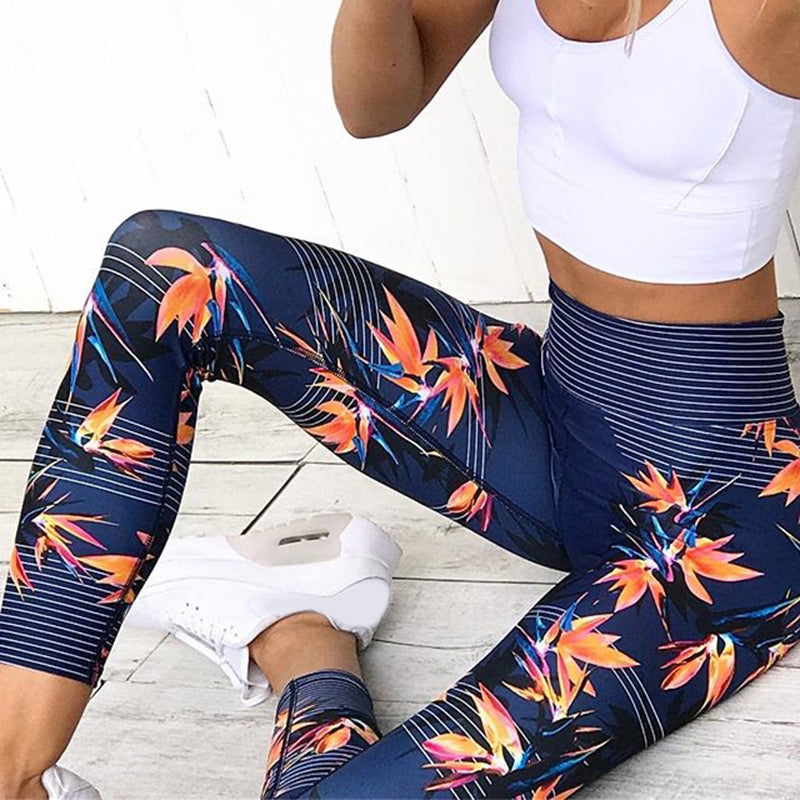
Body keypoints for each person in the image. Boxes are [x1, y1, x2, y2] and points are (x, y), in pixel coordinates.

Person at [1, 0, 800, 797]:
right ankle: (14, 769)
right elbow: (374, 107)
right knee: (166, 269)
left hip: (719, 526)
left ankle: (304, 643)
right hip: (559, 419)